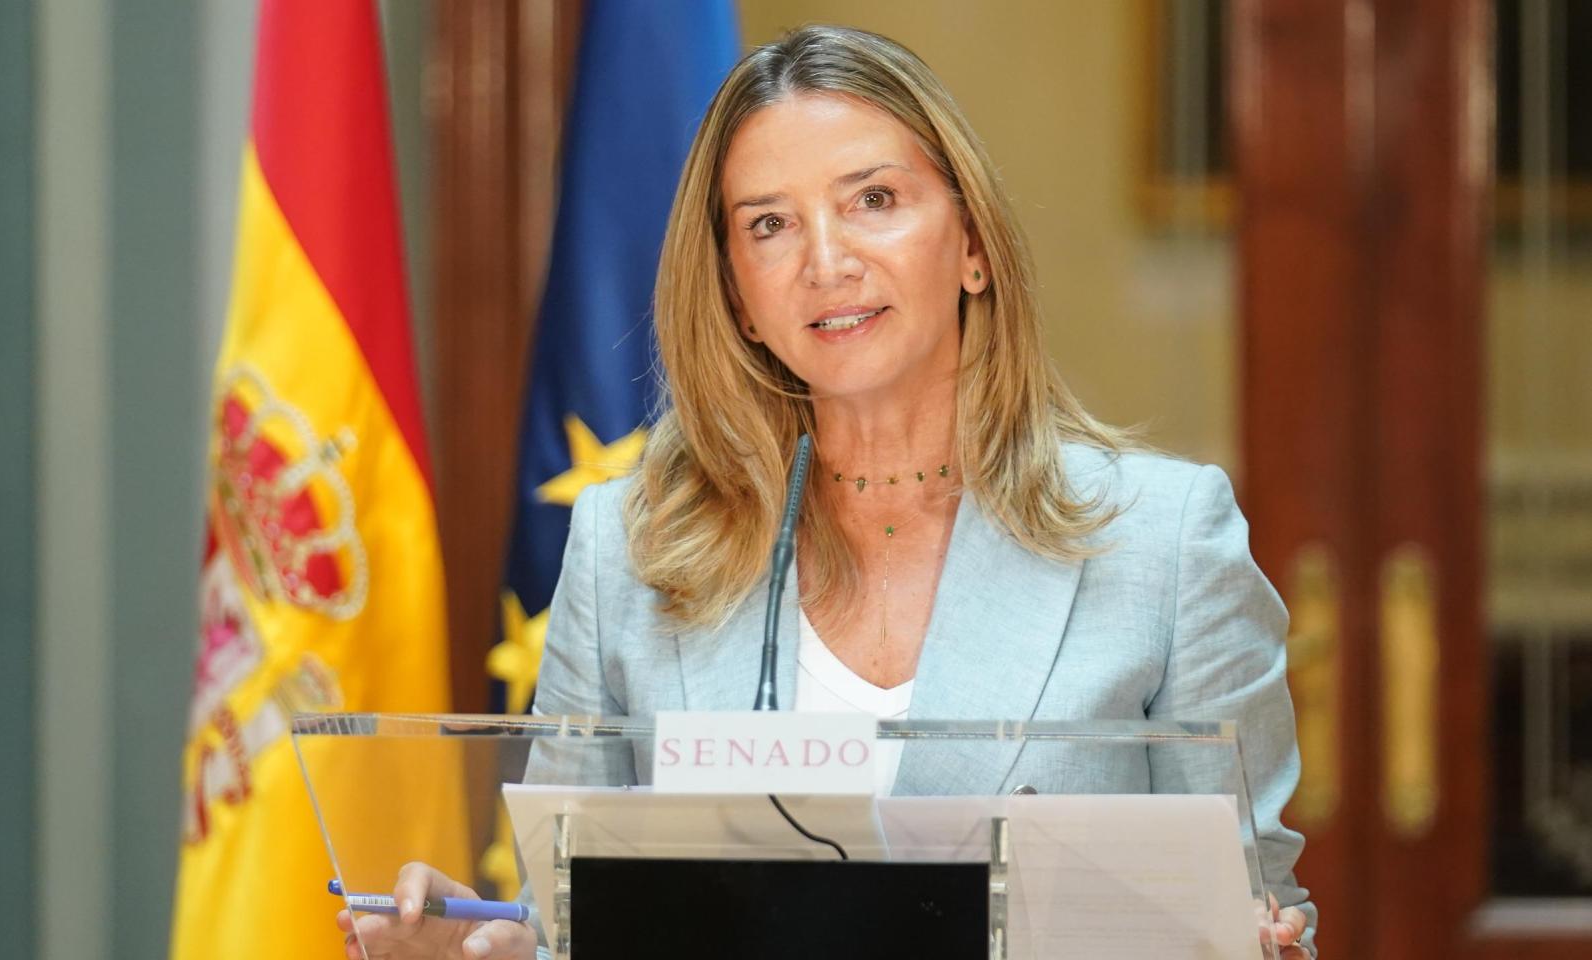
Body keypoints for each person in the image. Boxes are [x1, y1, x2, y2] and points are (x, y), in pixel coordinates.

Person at [339, 24, 1315, 960]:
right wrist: (485, 953)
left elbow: (1249, 913)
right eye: (768, 225)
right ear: (738, 297)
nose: (826, 262)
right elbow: (570, 926)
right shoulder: (626, 547)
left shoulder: (1163, 543)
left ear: (972, 246)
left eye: (872, 200)